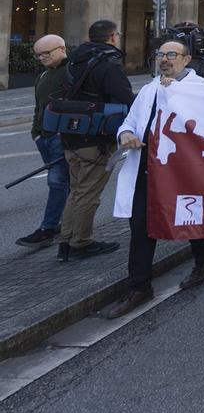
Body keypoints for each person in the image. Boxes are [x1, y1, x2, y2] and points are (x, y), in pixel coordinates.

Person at [104, 40, 204, 319]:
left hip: (183, 170)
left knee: (191, 217)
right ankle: (139, 287)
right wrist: (125, 134)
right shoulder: (148, 89)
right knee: (141, 225)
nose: (164, 59)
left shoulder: (201, 88)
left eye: (171, 54)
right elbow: (130, 122)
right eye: (160, 54)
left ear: (187, 59)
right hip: (147, 167)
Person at [57, 20, 133, 262]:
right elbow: (125, 98)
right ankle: (80, 243)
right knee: (89, 194)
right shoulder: (107, 64)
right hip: (95, 138)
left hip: (71, 134)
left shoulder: (74, 60)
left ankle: (66, 242)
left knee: (76, 191)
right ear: (112, 37)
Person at [16, 35, 72, 250]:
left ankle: (48, 228)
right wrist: (36, 133)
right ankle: (65, 224)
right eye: (38, 55)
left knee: (57, 182)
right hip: (44, 138)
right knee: (64, 183)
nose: (42, 58)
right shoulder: (43, 75)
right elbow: (38, 107)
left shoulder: (71, 72)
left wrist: (61, 133)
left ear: (62, 49)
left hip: (60, 137)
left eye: (46, 53)